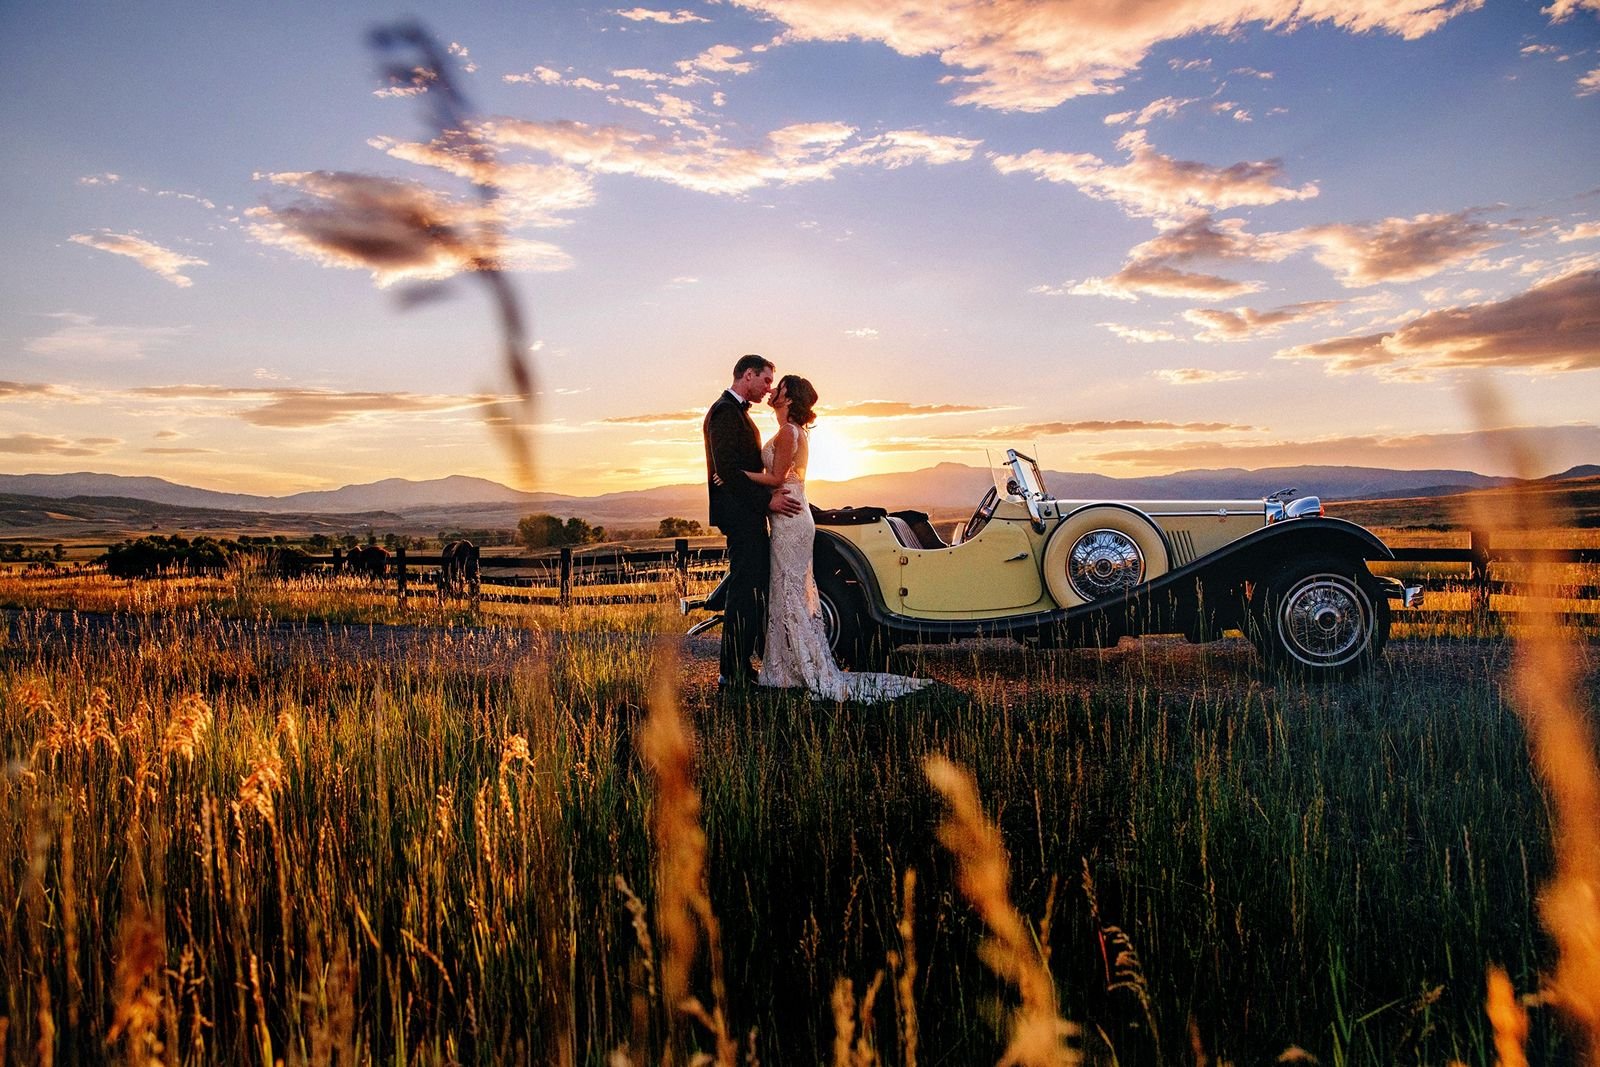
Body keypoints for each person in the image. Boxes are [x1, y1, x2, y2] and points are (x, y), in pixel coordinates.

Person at [743, 374, 932, 702]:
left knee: (789, 591)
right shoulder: (794, 431)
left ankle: (796, 668)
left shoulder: (789, 432)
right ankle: (788, 666)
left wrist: (736, 475)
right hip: (792, 514)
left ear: (789, 398)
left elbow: (776, 477)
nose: (772, 391)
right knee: (789, 592)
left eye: (779, 388)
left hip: (790, 519)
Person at [703, 354, 803, 689]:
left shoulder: (738, 414)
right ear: (748, 375)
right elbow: (727, 470)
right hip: (741, 515)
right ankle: (732, 672)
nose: (768, 388)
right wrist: (767, 499)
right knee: (743, 594)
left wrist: (741, 481)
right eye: (765, 381)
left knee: (751, 591)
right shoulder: (724, 412)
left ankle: (743, 664)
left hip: (750, 513)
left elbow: (734, 471)